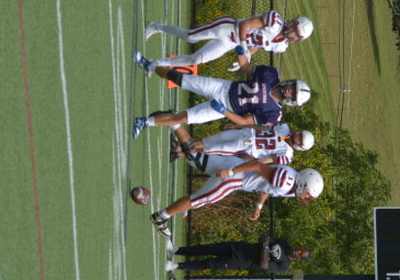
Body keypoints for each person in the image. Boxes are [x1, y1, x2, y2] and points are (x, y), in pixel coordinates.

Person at [132, 51, 311, 138]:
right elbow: (246, 67)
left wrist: (223, 111)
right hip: (223, 87)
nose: (290, 90)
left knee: (183, 118)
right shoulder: (271, 75)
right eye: (293, 87)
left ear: (292, 101)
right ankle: (150, 66)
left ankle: (144, 122)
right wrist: (240, 52)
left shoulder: (274, 113)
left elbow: (243, 122)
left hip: (226, 107)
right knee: (179, 78)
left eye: (293, 94)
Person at [149, 160, 324, 237]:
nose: (306, 198)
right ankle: (161, 216)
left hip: (238, 175)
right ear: (304, 184)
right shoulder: (287, 180)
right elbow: (257, 166)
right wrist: (230, 172)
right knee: (199, 200)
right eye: (308, 193)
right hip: (237, 178)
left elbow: (267, 188)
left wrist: (259, 206)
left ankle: (178, 142)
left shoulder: (292, 184)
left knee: (199, 160)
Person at [142, 11, 313, 73]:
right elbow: (245, 25)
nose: (291, 30)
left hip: (231, 43)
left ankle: (157, 63)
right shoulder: (275, 21)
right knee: (189, 36)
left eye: (296, 32)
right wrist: (244, 46)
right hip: (227, 28)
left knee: (196, 60)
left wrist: (247, 56)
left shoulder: (281, 46)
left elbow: (259, 45)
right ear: (293, 20)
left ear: (298, 39)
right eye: (294, 25)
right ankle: (155, 27)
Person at [168, 122, 315, 175]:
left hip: (246, 146)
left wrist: (248, 163)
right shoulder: (285, 127)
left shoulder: (287, 155)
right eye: (300, 134)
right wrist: (238, 126)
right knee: (208, 141)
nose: (297, 137)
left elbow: (265, 161)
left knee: (210, 149)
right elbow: (261, 128)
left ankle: (179, 153)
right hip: (246, 133)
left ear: (300, 146)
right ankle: (179, 147)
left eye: (300, 139)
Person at [164, 235, 310, 273]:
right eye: (301, 248)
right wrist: (265, 249)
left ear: (299, 259)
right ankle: (176, 250)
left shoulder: (284, 265)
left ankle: (176, 266)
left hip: (241, 261)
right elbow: (264, 238)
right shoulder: (284, 243)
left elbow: (263, 265)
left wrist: (265, 247)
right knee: (208, 248)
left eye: (301, 253)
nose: (298, 250)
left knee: (209, 263)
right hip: (241, 247)